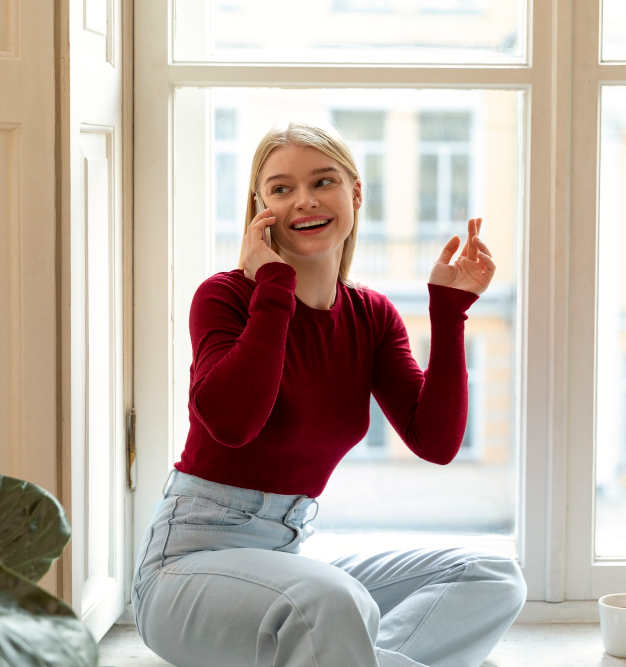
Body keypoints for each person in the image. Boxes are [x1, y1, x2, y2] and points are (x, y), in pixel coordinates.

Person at [131, 122, 527, 667]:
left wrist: (449, 310)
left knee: (491, 577)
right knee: (333, 601)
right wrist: (273, 288)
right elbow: (232, 423)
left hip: (288, 561)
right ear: (259, 207)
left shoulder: (371, 316)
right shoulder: (226, 297)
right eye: (280, 188)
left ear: (355, 192)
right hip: (187, 569)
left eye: (323, 181)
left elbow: (434, 441)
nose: (304, 201)